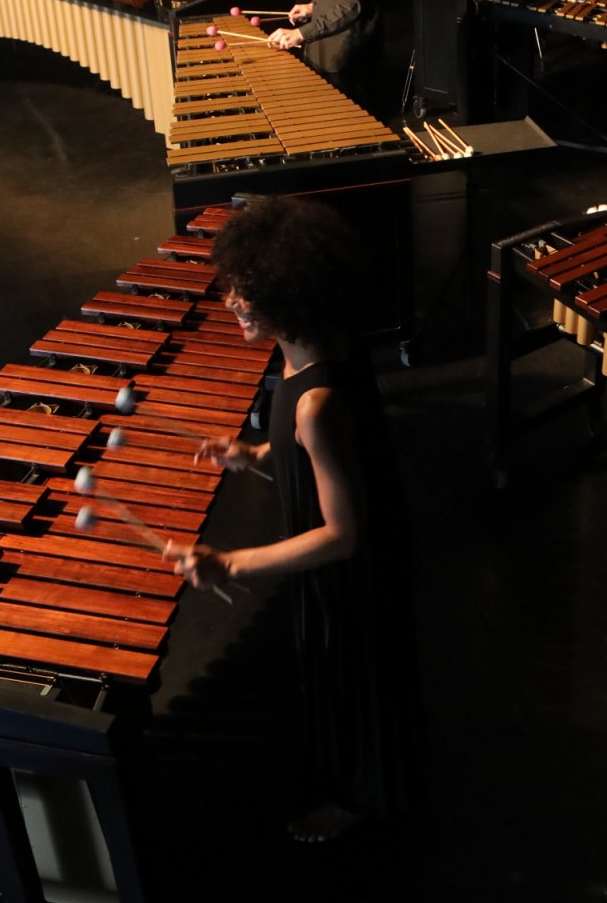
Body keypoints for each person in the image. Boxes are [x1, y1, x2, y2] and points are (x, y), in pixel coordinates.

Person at [169, 195, 420, 842]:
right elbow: (310, 453)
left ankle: (361, 800)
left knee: (354, 676)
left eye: (245, 294)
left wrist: (231, 562)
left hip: (353, 571)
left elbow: (344, 533)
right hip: (344, 546)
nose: (231, 304)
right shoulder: (310, 349)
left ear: (289, 296)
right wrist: (253, 451)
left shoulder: (318, 403)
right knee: (330, 670)